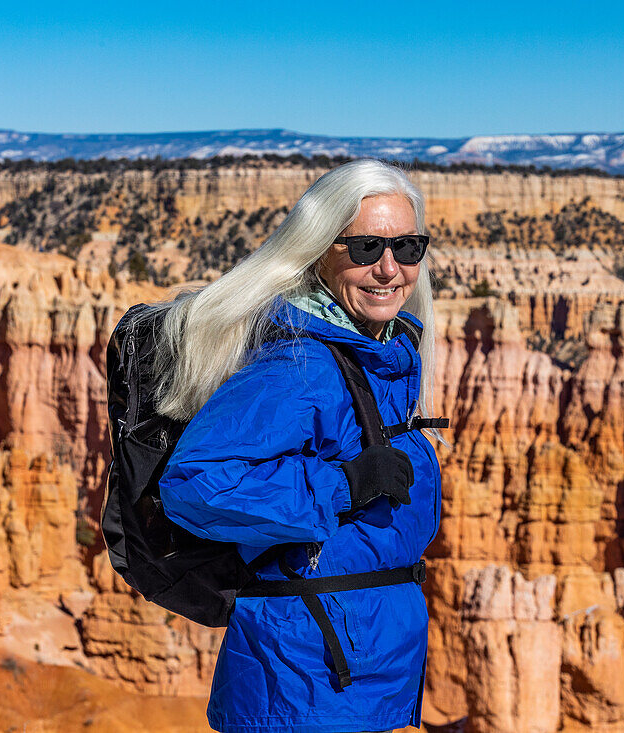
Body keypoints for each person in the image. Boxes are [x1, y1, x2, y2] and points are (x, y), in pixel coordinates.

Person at [151, 158, 443, 733]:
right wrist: (344, 485)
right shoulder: (301, 363)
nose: (389, 269)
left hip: (349, 670)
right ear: (320, 251)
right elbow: (193, 484)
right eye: (364, 249)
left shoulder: (378, 353)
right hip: (305, 679)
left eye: (407, 247)